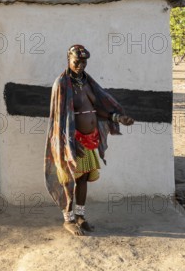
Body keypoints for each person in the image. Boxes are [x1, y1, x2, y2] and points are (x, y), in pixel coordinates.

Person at [44, 44, 135, 236]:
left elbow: (96, 109)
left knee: (83, 179)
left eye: (84, 61)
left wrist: (117, 118)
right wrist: (70, 143)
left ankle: (80, 216)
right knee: (69, 179)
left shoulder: (87, 82)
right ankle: (67, 220)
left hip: (89, 139)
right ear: (68, 59)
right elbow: (59, 119)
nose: (81, 65)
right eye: (77, 61)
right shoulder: (61, 84)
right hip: (72, 140)